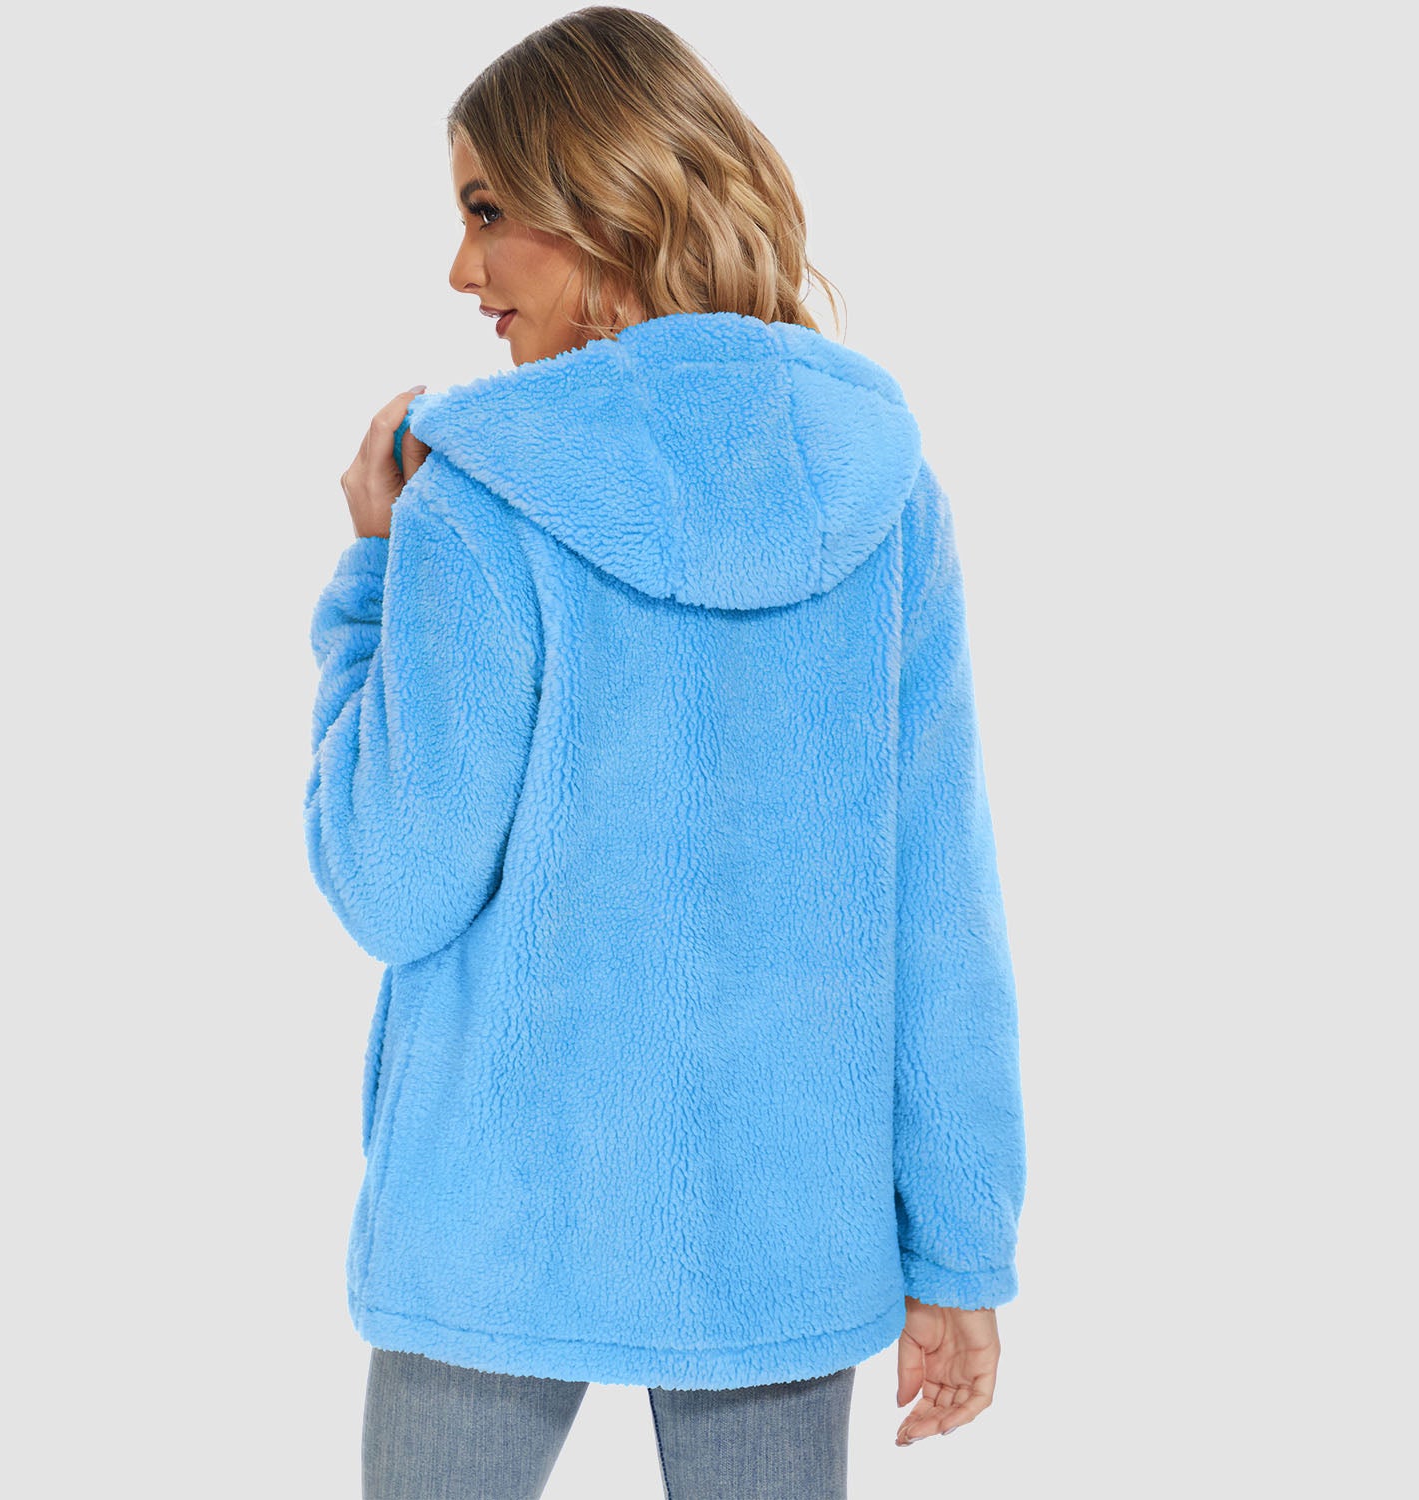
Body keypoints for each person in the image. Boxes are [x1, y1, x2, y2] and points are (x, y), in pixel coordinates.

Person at [303, 9, 1028, 1498]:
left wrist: (373, 574)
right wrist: (959, 1252)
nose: (461, 271)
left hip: (499, 1221)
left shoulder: (481, 497)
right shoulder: (884, 494)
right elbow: (939, 906)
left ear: (606, 202)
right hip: (780, 1230)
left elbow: (390, 879)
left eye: (486, 211)